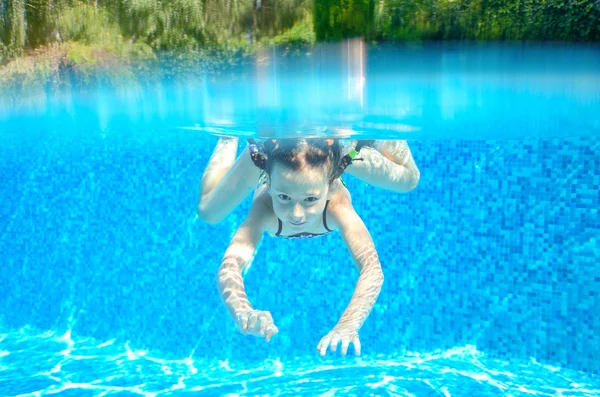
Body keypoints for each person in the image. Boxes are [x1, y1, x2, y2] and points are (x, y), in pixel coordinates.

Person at [198, 137, 420, 356]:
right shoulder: (265, 207)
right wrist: (243, 312)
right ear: (268, 183)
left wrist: (349, 323)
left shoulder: (337, 205)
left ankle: (361, 142)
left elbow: (372, 268)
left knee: (410, 179)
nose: (296, 214)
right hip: (271, 160)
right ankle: (228, 138)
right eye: (284, 197)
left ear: (331, 189)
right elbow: (231, 264)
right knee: (208, 212)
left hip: (331, 162)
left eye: (311, 199)